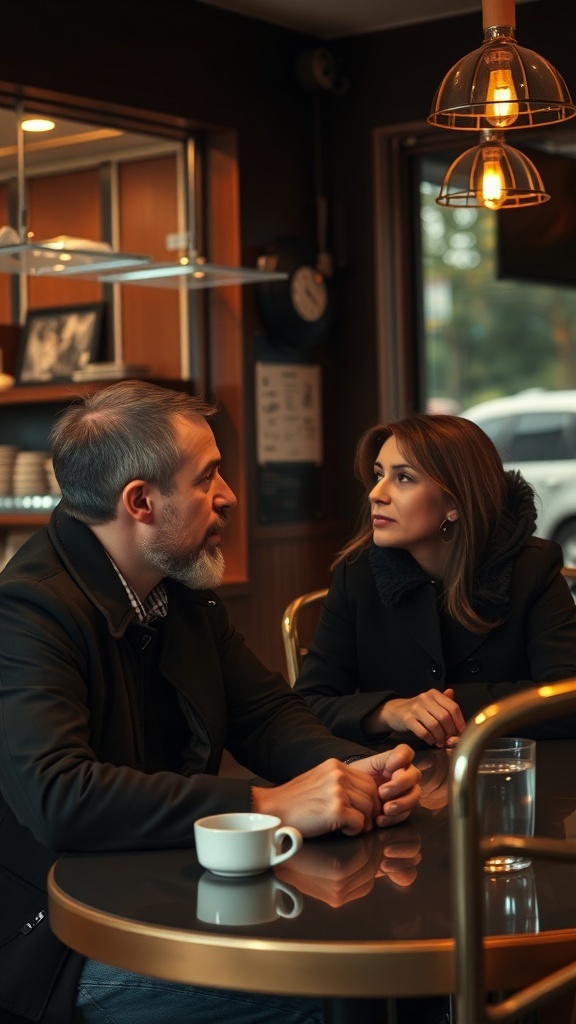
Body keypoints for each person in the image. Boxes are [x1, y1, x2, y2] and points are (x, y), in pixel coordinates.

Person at [0, 380, 422, 1024]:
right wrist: (266, 805)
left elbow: (267, 715)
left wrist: (357, 770)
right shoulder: (28, 609)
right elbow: (61, 798)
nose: (228, 495)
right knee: (343, 994)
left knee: (393, 957)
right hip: (61, 940)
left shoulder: (178, 586)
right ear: (140, 502)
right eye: (207, 478)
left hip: (164, 890)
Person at [294, 413, 576, 748]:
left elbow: (567, 695)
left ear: (454, 503)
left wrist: (450, 709)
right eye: (379, 475)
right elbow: (308, 704)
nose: (376, 494)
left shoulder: (531, 566)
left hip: (506, 766)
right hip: (398, 768)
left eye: (404, 478)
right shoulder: (358, 573)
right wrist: (391, 711)